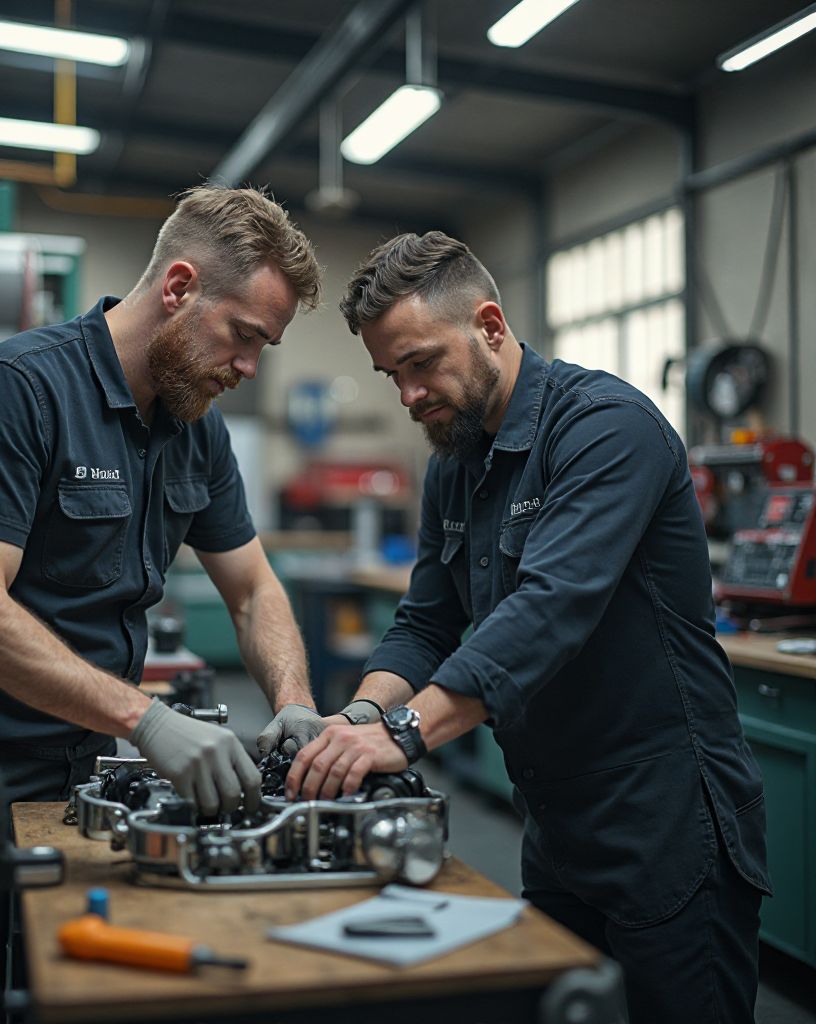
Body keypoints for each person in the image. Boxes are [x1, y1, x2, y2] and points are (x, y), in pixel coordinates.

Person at [271, 231, 771, 1023]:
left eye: (422, 363)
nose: (407, 395)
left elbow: (549, 610)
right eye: (390, 374)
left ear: (491, 326)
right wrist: (360, 714)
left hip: (666, 819)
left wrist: (404, 731)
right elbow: (426, 621)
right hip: (556, 816)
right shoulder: (454, 463)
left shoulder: (606, 428)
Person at [0, 185, 324, 1023]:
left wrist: (296, 704)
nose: (248, 369)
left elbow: (253, 586)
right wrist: (147, 720)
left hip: (96, 776)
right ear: (179, 286)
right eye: (244, 337)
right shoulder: (19, 389)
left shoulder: (196, 426)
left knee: (82, 991)